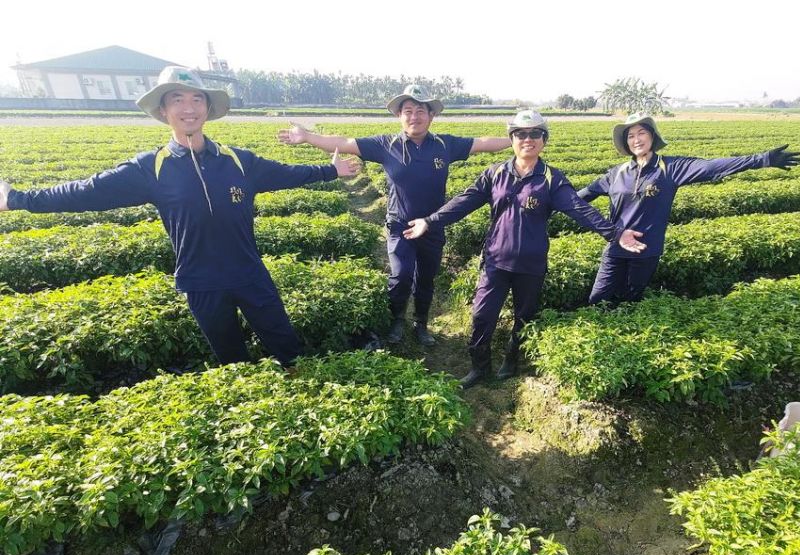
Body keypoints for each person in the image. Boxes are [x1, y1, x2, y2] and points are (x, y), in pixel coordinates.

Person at [0, 66, 359, 367]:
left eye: (196, 98)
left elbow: (286, 173)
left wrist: (331, 171)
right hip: (200, 283)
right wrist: (16, 199)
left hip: (251, 274)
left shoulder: (238, 160)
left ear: (207, 108)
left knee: (286, 345)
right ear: (163, 111)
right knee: (231, 357)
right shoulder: (149, 168)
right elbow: (87, 192)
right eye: (177, 99)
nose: (189, 107)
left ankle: (296, 387)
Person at [405, 111, 645, 388]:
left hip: (530, 266)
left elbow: (579, 209)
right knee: (482, 316)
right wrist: (430, 221)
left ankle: (512, 360)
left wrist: (615, 234)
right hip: (495, 260)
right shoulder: (495, 173)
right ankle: (479, 367)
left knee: (524, 317)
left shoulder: (551, 179)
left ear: (544, 140)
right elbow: (463, 202)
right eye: (520, 134)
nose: (527, 139)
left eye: (535, 134)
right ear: (512, 139)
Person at [277, 84, 511, 346]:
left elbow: (484, 144)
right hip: (400, 225)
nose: (414, 116)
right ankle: (397, 319)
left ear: (431, 116)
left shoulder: (445, 145)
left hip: (433, 226)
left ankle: (421, 323)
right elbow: (343, 142)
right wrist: (308, 136)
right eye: (408, 110)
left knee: (426, 278)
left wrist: (517, 137)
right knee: (401, 276)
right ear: (399, 116)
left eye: (420, 111)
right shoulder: (385, 145)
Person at [578, 112, 800, 306]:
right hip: (615, 250)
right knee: (598, 300)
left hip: (646, 251)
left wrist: (761, 159)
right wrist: (550, 202)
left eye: (641, 133)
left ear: (652, 136)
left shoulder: (671, 168)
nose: (636, 139)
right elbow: (581, 197)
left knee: (630, 299)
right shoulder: (616, 173)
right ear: (626, 143)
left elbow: (710, 167)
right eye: (631, 135)